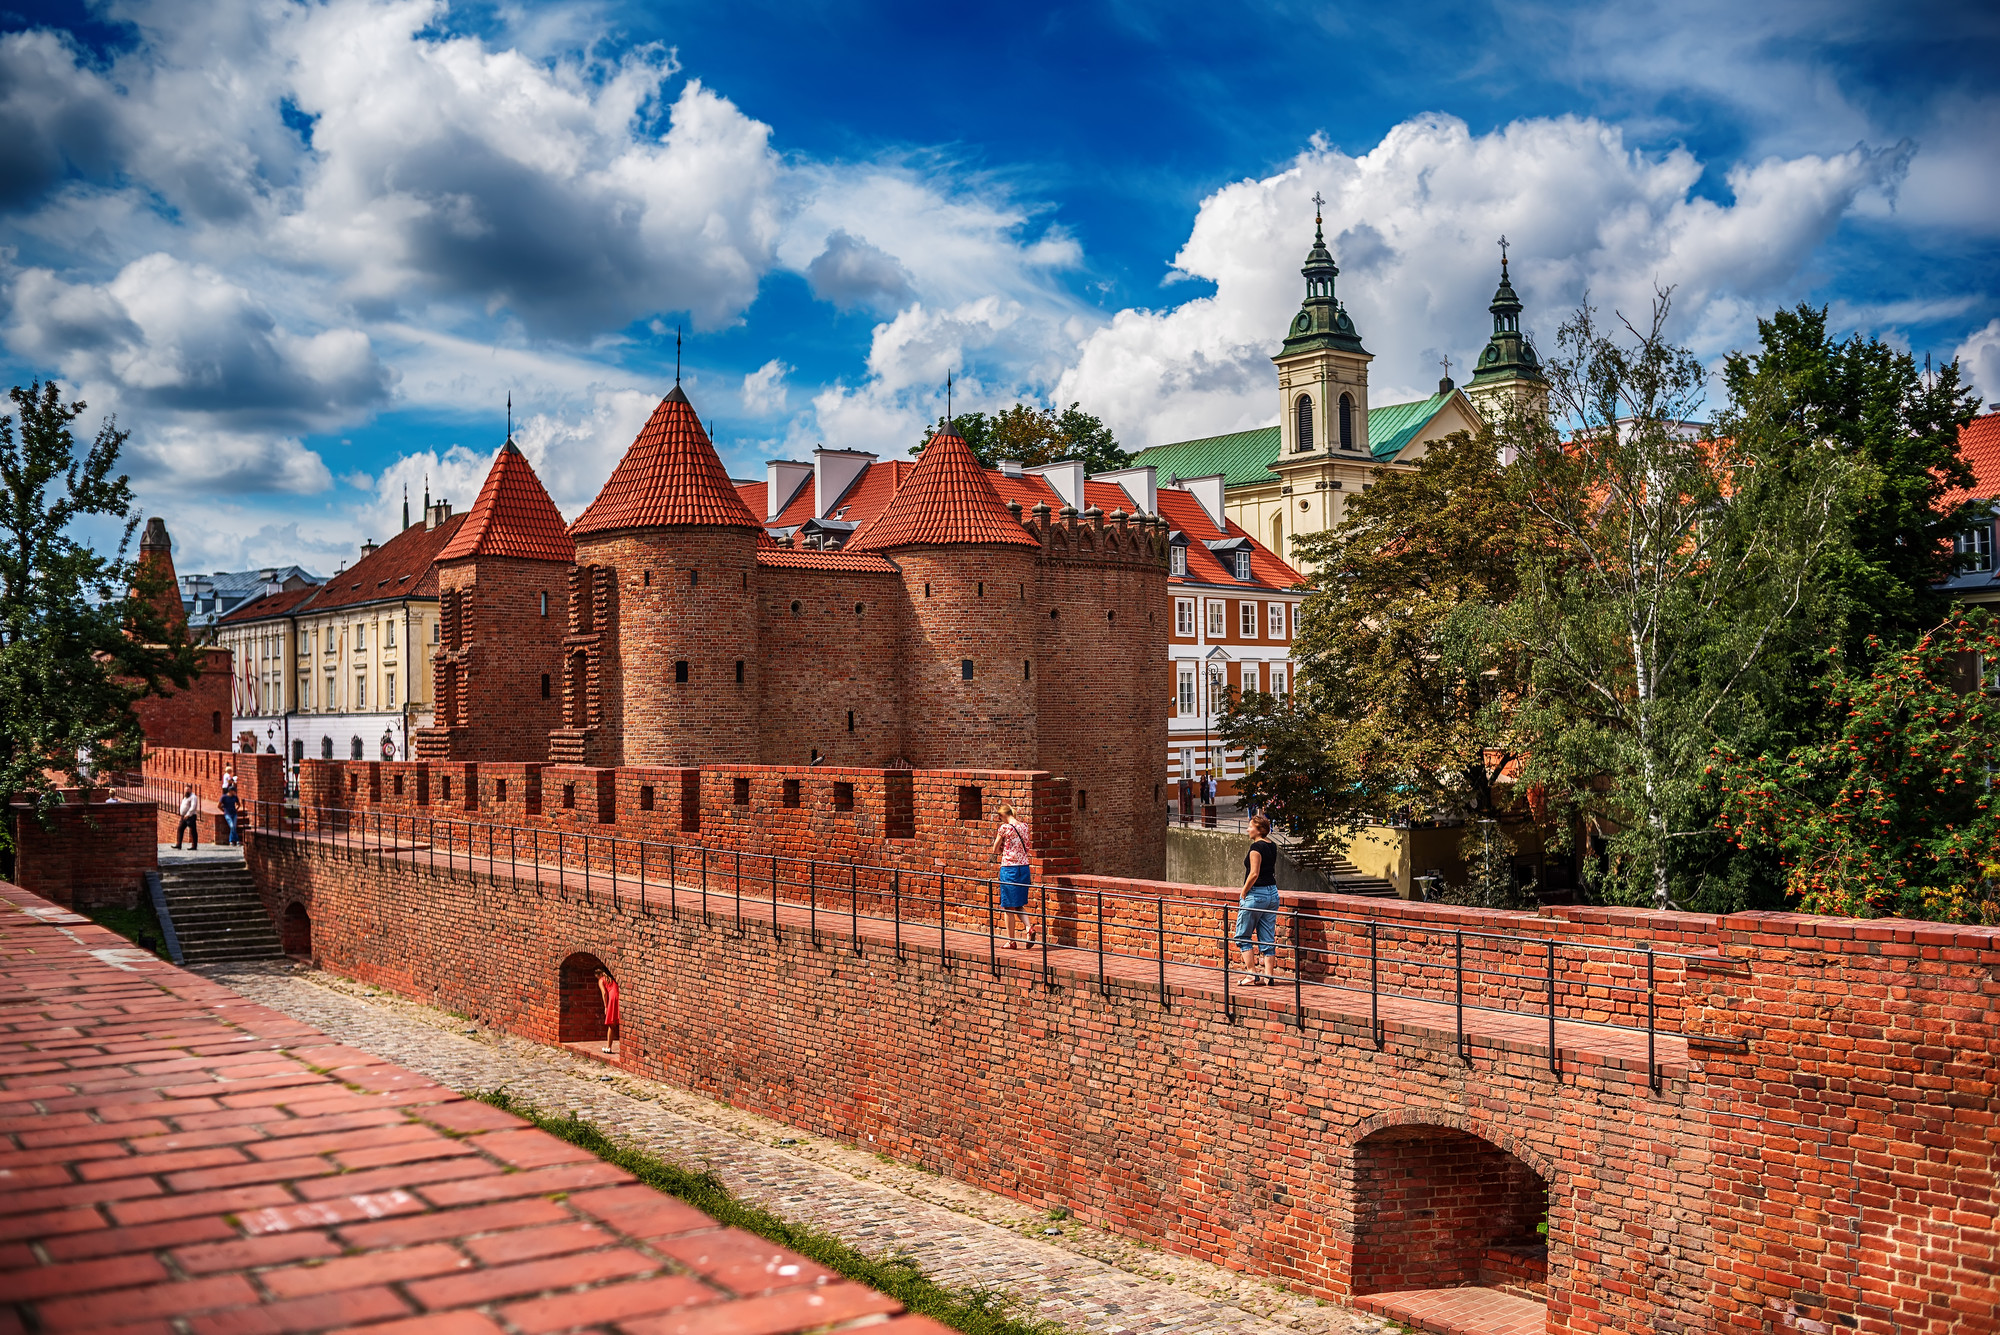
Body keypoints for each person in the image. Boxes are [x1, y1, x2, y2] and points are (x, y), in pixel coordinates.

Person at [1235, 813, 1280, 986]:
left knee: (1243, 935)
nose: (1247, 829)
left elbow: (1254, 874)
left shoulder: (1255, 849)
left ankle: (1251, 974)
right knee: (1267, 936)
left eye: (1250, 826)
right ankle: (1269, 976)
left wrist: (1243, 892)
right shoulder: (1272, 845)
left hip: (1256, 894)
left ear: (1259, 830)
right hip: (1272, 894)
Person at [991, 803, 1034, 949]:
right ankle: (1029, 928)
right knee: (1019, 904)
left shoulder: (1005, 828)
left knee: (1008, 907)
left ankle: (1011, 941)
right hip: (1024, 868)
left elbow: (995, 849)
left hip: (1009, 869)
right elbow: (1027, 847)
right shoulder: (1024, 826)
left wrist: (1002, 845)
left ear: (1003, 815)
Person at [595, 967, 620, 1055]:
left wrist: (606, 1006)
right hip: (618, 996)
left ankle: (608, 1047)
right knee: (615, 1022)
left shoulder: (601, 980)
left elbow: (604, 993)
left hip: (612, 999)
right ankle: (609, 1046)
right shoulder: (610, 978)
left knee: (611, 1023)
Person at [174, 786, 200, 850]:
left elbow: (193, 806)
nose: (186, 791)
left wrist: (188, 814)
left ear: (191, 789)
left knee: (192, 830)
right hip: (184, 816)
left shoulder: (193, 797)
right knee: (180, 829)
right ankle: (178, 844)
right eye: (185, 789)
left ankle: (194, 846)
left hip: (190, 816)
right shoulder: (185, 797)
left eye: (188, 789)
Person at [219, 767, 240, 845]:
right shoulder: (227, 775)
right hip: (227, 813)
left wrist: (236, 809)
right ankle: (236, 840)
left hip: (233, 813)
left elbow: (238, 804)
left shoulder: (235, 797)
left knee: (233, 827)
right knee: (232, 826)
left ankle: (232, 841)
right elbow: (229, 781)